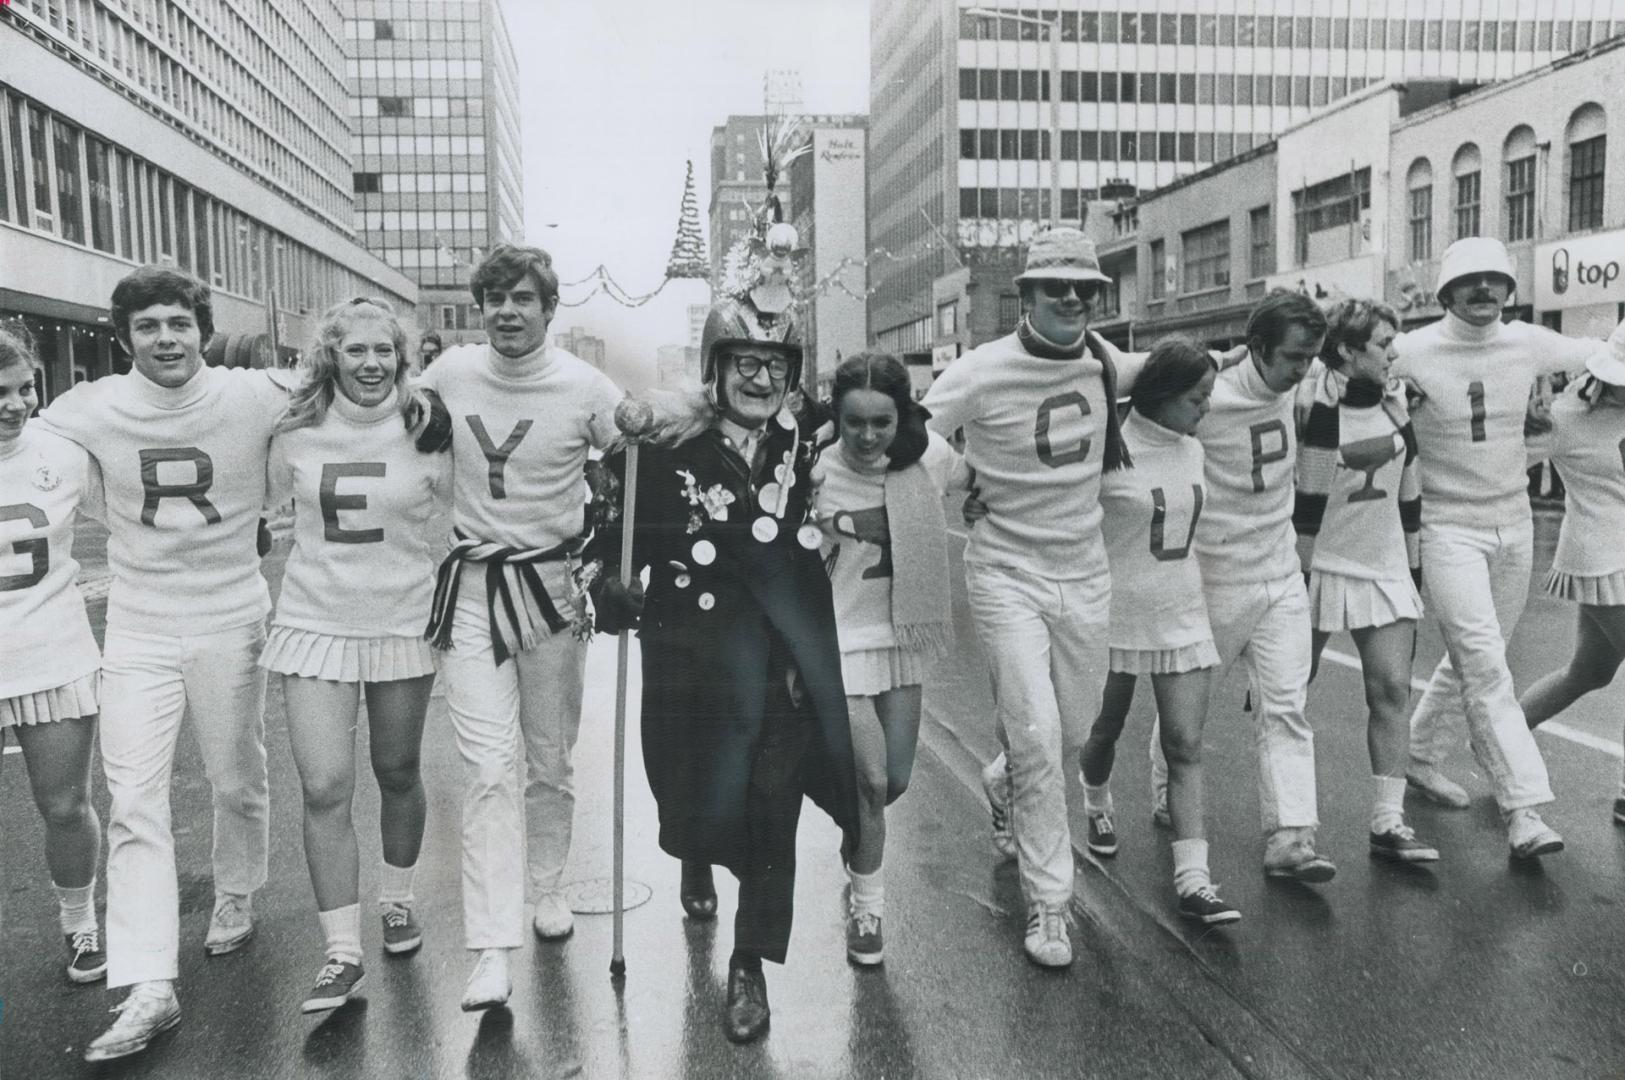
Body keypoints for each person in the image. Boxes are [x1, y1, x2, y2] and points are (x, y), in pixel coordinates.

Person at [39, 266, 445, 1063]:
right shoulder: (85, 406)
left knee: (236, 776)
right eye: (148, 327)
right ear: (122, 339)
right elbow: (28, 450)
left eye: (179, 324)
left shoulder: (257, 394)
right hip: (138, 619)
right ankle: (148, 983)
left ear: (201, 329)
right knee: (133, 796)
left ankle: (236, 890)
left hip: (231, 610)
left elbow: (349, 380)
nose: (166, 340)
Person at [591, 293, 859, 1043]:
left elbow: (889, 436)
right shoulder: (663, 446)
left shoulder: (806, 442)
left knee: (774, 803)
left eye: (775, 365)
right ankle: (695, 853)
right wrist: (610, 589)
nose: (760, 378)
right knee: (697, 797)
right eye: (745, 362)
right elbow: (612, 542)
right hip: (688, 653)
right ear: (716, 368)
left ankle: (749, 962)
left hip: (778, 654)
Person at [922, 226, 1149, 967]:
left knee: (1072, 736)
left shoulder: (1104, 359)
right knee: (1036, 737)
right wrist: (962, 480)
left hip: (1083, 573)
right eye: (1059, 287)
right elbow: (915, 429)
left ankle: (1002, 784)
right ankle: (1050, 904)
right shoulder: (982, 369)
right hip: (1006, 573)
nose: (1076, 300)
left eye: (1087, 288)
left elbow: (1165, 375)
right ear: (1026, 294)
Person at [416, 243, 624, 1011]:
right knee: (486, 767)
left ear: (547, 308)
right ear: (481, 308)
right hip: (471, 586)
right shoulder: (449, 374)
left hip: (551, 588)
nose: (507, 311)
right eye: (495, 298)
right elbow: (398, 434)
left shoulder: (584, 385)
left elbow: (630, 465)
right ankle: (490, 949)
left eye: (523, 298)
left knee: (547, 759)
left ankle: (547, 887)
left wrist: (615, 563)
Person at [1396, 237, 1619, 858]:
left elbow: (1603, 352)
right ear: (1444, 292)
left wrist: (1584, 389)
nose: (1485, 293)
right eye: (1470, 283)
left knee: (1481, 649)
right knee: (1485, 662)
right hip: (1447, 525)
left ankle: (1418, 752)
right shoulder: (1409, 351)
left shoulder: (1528, 341)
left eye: (1496, 281)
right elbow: (1334, 370)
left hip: (1514, 523)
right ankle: (1524, 810)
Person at [264, 298, 451, 1013]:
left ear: (401, 358)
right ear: (331, 357)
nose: (370, 364)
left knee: (397, 769)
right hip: (314, 622)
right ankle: (341, 953)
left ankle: (397, 899)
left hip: (402, 620)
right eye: (354, 351)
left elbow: (474, 510)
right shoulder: (293, 429)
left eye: (383, 352)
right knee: (323, 786)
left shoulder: (427, 428)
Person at [1147, 290, 1336, 883]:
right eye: (1293, 358)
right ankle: (1164, 792)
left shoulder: (1306, 387)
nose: (1303, 370)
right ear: (1255, 348)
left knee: (1287, 707)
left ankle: (1291, 836)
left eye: (1311, 357)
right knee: (1187, 721)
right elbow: (1135, 398)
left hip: (1279, 574)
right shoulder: (1208, 395)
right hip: (1213, 580)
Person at [1076, 337, 1240, 925]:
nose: (1206, 408)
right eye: (1197, 397)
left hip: (1182, 611)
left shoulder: (1192, 449)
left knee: (1185, 745)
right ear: (1162, 394)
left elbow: (1231, 361)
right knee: (1104, 729)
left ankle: (1194, 879)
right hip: (1114, 613)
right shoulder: (1105, 446)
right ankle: (1097, 799)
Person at [812, 352, 959, 965]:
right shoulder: (814, 472)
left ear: (905, 418)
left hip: (901, 639)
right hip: (839, 642)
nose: (868, 438)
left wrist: (979, 505)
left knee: (893, 783)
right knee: (871, 781)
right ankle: (868, 911)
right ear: (835, 421)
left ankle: (859, 837)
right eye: (854, 424)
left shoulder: (933, 460)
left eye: (882, 423)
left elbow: (979, 482)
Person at [1294, 299, 1437, 863]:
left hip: (1382, 564)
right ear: (1348, 352)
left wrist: (1413, 561)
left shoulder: (1397, 403)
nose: (1395, 352)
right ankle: (1292, 826)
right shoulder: (1303, 404)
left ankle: (1388, 821)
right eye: (1382, 343)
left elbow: (1410, 492)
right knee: (1287, 696)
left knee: (1392, 691)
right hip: (1316, 565)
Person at [0, 325, 107, 984]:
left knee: (66, 806)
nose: (15, 403)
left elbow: (135, 512)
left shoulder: (62, 454)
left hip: (53, 651)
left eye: (25, 388)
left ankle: (79, 923)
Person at [1518, 322, 1625, 821]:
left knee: (1590, 671)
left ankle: (1504, 742)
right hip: (1603, 557)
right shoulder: (1566, 415)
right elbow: (1503, 460)